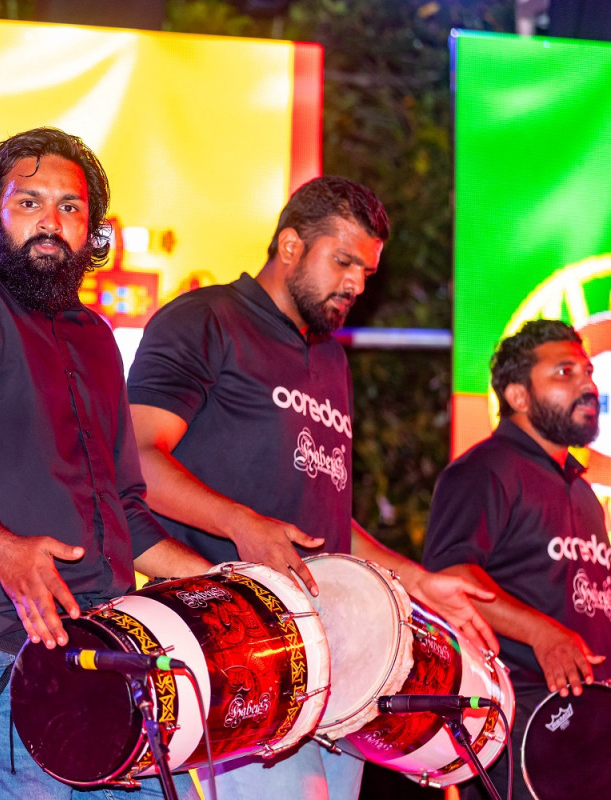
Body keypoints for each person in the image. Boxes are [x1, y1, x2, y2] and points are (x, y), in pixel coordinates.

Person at [126, 176, 497, 799]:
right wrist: (241, 524)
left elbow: (324, 525)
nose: (356, 284)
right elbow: (136, 457)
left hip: (329, 660)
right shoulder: (206, 320)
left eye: (366, 272)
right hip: (233, 652)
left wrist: (417, 581)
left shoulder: (330, 360)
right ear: (291, 245)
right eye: (343, 261)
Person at [0, 127, 213, 799]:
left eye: (70, 207)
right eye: (29, 203)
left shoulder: (95, 337)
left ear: (92, 228)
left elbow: (124, 509)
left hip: (111, 654)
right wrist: (5, 550)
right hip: (4, 656)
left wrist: (213, 582)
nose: (51, 222)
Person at [423, 319, 610, 800]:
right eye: (565, 372)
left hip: (591, 732)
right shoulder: (484, 470)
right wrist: (542, 634)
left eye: (588, 372)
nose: (588, 385)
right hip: (518, 729)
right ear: (518, 396)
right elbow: (450, 577)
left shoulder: (583, 491)